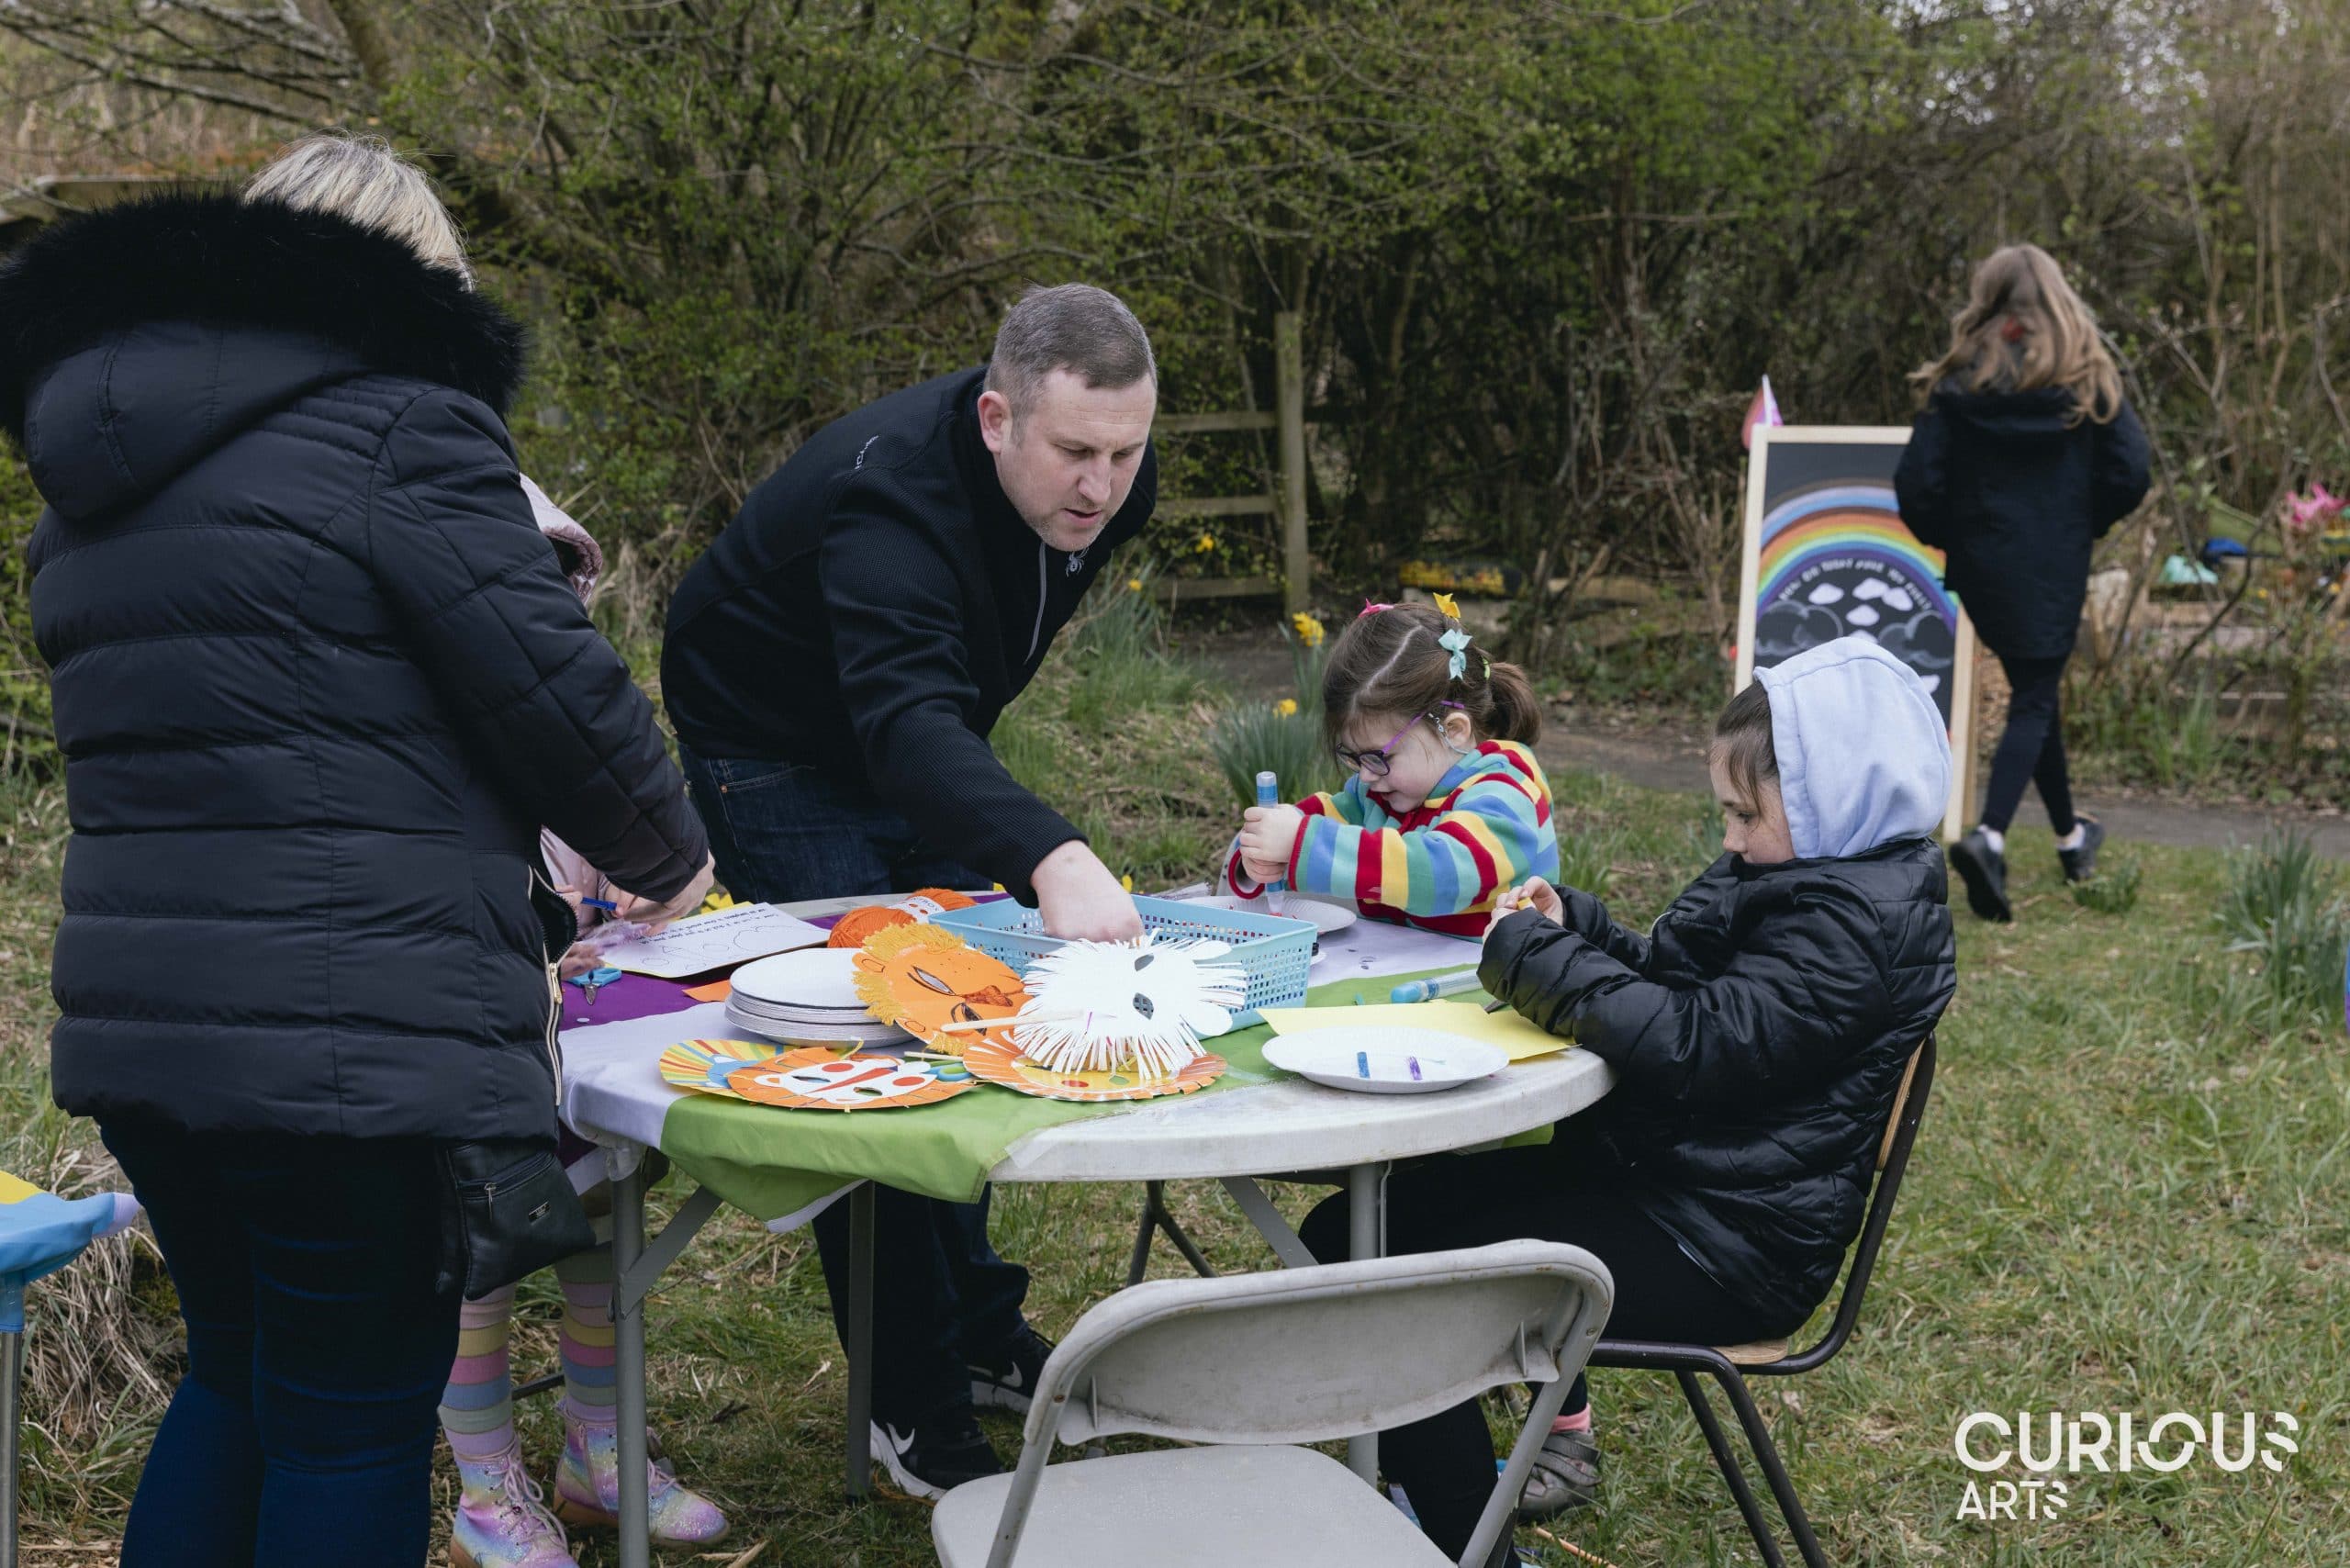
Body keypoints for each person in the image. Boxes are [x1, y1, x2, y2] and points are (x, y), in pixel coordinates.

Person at [2, 133, 712, 1568]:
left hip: (153, 1042)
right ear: (408, 284)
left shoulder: (89, 484)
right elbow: (551, 690)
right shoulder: (404, 430)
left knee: (236, 1382)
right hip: (349, 1049)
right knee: (349, 1424)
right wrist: (678, 866)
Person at [1299, 637, 1957, 1567]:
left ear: (1830, 802)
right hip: (1668, 1183)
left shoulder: (1853, 932)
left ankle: (1464, 1542)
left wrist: (1534, 957)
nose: (1728, 836)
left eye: (1743, 812)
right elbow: (1683, 984)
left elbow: (1697, 1046)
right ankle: (1431, 1499)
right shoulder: (1800, 872)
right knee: (1349, 1235)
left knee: (1402, 1287)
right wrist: (1579, 924)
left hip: (1723, 1243)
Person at [660, 283, 1158, 1495]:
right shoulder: (887, 504)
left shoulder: (1116, 480)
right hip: (770, 736)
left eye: (1126, 452)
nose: (1102, 486)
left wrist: (973, 799)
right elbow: (901, 725)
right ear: (996, 418)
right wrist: (1051, 853)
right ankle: (908, 1403)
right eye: (1075, 453)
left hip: (917, 728)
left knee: (965, 1013)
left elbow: (938, 703)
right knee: (869, 1053)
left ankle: (980, 1334)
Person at [435, 483, 728, 1568]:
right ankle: (483, 1487)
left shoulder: (569, 727)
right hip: (486, 1052)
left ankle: (600, 1449)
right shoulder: (432, 750)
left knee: (607, 1234)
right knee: (486, 1257)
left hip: (595, 1040)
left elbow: (636, 838)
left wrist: (640, 890)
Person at [1894, 241, 2152, 921]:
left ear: (1988, 301)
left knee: (2038, 694)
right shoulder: (2088, 374)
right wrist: (2076, 520)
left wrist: (1961, 536)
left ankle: (2071, 838)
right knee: (2036, 693)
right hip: (2054, 559)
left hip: (1983, 564)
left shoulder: (1960, 382)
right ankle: (1990, 835)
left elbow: (1917, 488)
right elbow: (2131, 471)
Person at [1225, 597, 1558, 936]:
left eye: (1379, 757)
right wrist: (1262, 852)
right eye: (1354, 757)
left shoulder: (1506, 792)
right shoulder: (1378, 792)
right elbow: (1317, 821)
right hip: (1412, 973)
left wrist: (1302, 842)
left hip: (1503, 981)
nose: (1365, 775)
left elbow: (1439, 875)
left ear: (1453, 731)